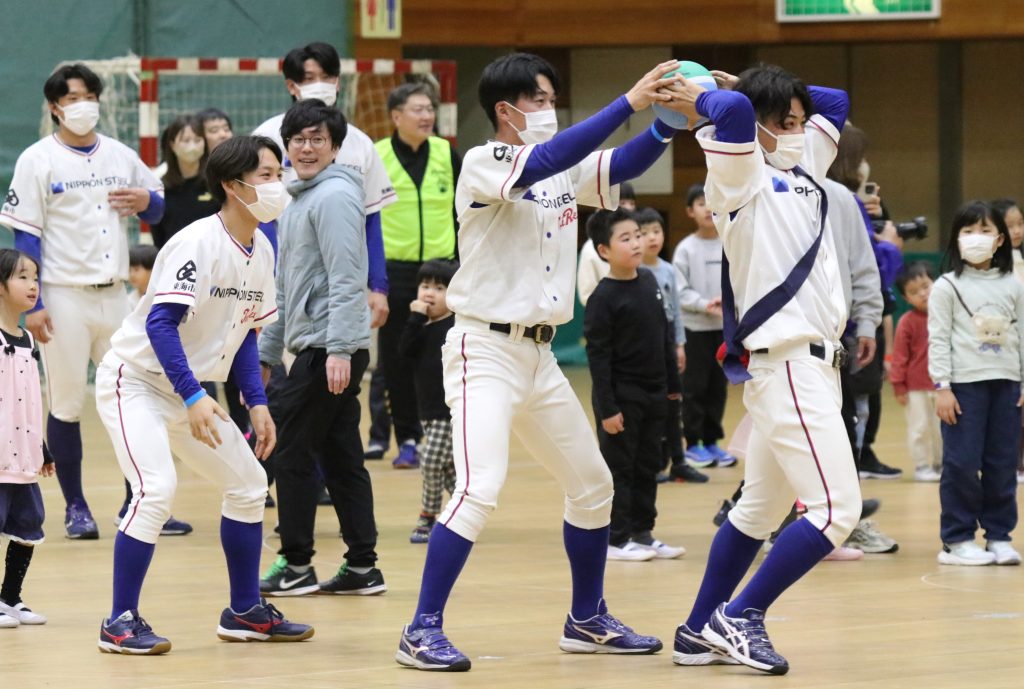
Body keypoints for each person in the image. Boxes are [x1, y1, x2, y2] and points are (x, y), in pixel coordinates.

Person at [394, 52, 686, 672]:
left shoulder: (559, 168)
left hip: (538, 355)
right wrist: (630, 102)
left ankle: (586, 619)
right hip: (484, 350)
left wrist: (667, 122)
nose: (552, 110)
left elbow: (621, 165)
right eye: (542, 100)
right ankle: (420, 629)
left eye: (553, 99)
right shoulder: (484, 161)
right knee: (478, 488)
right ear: (507, 109)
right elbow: (548, 158)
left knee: (593, 486)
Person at [667, 64, 860, 675]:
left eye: (802, 122)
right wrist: (724, 95)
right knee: (836, 511)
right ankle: (742, 615)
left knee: (756, 510)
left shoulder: (806, 167)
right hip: (789, 364)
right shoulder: (740, 172)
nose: (801, 130)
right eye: (788, 122)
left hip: (814, 369)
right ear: (761, 124)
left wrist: (767, 85)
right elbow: (733, 114)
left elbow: (836, 99)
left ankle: (698, 630)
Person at [93, 135, 312, 654]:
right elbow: (161, 325)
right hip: (136, 381)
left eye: (278, 173)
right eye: (266, 175)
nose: (277, 184)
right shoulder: (196, 242)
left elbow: (246, 335)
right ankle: (119, 622)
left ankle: (244, 612)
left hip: (189, 393)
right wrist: (193, 395)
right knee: (155, 490)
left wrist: (257, 402)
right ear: (233, 186)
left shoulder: (262, 249)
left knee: (248, 484)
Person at [0, 63, 164, 540]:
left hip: (116, 295)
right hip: (63, 297)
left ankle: (139, 500)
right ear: (55, 107)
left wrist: (145, 200)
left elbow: (157, 206)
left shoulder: (119, 153)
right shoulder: (37, 160)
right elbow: (25, 236)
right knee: (68, 402)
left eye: (90, 95)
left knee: (133, 397)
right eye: (73, 98)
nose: (83, 104)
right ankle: (76, 507)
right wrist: (33, 304)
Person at [257, 100, 385, 598]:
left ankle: (296, 563)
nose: (307, 148)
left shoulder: (333, 196)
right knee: (341, 455)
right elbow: (285, 285)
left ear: (335, 147)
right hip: (319, 346)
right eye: (299, 140)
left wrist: (341, 349)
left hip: (329, 350)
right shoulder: (299, 199)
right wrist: (268, 352)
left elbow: (346, 276)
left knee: (290, 450)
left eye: (317, 139)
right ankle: (362, 567)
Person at [252, 41, 392, 330]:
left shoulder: (361, 144)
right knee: (277, 356)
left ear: (338, 82)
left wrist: (378, 286)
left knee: (340, 354)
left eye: (327, 77)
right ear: (292, 86)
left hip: (343, 282)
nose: (320, 85)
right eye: (309, 78)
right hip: (281, 280)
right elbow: (257, 217)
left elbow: (370, 219)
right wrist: (269, 278)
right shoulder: (266, 137)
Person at [585, 209, 686, 562]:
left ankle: (643, 533)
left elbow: (664, 335)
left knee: (648, 465)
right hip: (622, 397)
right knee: (620, 469)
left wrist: (672, 386)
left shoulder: (649, 281)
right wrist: (608, 409)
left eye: (638, 235)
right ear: (604, 250)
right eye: (625, 239)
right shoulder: (602, 297)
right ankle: (616, 538)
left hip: (655, 393)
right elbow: (598, 359)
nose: (636, 243)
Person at [929, 200, 1023, 567]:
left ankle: (999, 535)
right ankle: (957, 539)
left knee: (1002, 463)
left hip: (1007, 385)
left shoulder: (1013, 285)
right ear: (956, 238)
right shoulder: (946, 286)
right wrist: (942, 387)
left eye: (985, 230)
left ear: (1000, 240)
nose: (976, 237)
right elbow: (938, 338)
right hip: (963, 387)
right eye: (968, 231)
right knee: (962, 463)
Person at [375, 82, 462, 469]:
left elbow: (464, 210)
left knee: (446, 353)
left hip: (444, 270)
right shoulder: (376, 156)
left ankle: (446, 432)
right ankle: (408, 438)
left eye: (430, 109)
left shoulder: (446, 152)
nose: (427, 116)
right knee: (398, 358)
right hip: (395, 271)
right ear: (397, 116)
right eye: (418, 109)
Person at [110, 245, 194, 535]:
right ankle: (133, 508)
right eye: (130, 269)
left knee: (156, 459)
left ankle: (140, 507)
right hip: (136, 381)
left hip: (169, 384)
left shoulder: (171, 299)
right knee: (143, 457)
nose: (133, 274)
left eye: (139, 268)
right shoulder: (125, 302)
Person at [0, 250, 54, 629]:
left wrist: (42, 447)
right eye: (22, 277)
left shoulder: (29, 341)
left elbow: (31, 400)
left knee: (29, 523)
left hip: (22, 453)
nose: (32, 285)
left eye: (35, 277)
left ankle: (10, 598)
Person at [636, 206, 708, 484]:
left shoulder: (667, 270)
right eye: (644, 233)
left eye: (657, 231)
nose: (652, 238)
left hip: (667, 344)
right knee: (650, 407)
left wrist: (679, 344)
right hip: (644, 346)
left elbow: (676, 311)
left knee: (674, 403)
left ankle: (679, 461)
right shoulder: (634, 271)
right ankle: (652, 464)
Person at [672, 183, 734, 469]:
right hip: (695, 329)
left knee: (717, 387)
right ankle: (693, 443)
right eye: (700, 203)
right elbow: (680, 291)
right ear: (690, 211)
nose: (708, 208)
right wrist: (704, 304)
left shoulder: (730, 243)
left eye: (712, 202)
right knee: (694, 387)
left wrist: (728, 304)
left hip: (723, 329)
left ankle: (711, 441)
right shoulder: (685, 249)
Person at [399, 259, 458, 543]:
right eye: (425, 286)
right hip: (427, 409)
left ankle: (428, 516)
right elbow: (404, 352)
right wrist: (415, 319)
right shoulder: (420, 326)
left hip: (450, 410)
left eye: (439, 288)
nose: (429, 293)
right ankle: (464, 509)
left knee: (431, 462)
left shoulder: (456, 328)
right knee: (447, 468)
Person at [891, 262, 943, 482]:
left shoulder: (946, 314)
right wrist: (898, 385)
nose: (922, 294)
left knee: (943, 429)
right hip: (916, 387)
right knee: (919, 428)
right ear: (906, 298)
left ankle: (941, 464)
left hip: (943, 386)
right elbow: (900, 356)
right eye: (914, 292)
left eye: (925, 286)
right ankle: (922, 466)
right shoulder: (906, 322)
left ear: (935, 283)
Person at [991, 198, 1024, 484]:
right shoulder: (995, 264)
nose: (1017, 231)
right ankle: (1011, 461)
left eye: (1020, 224)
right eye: (1010, 225)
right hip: (1005, 342)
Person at [150, 115, 219, 250]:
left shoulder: (216, 183)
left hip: (212, 256)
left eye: (197, 140)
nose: (192, 146)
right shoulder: (160, 187)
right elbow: (158, 235)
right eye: (185, 140)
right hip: (173, 256)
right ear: (172, 144)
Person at [577, 182, 635, 306]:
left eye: (631, 203)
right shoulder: (590, 249)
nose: (628, 208)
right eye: (622, 203)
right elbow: (587, 295)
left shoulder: (637, 241)